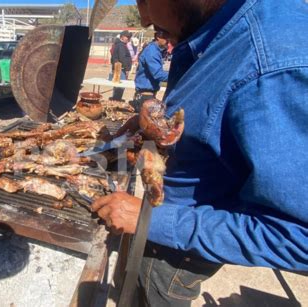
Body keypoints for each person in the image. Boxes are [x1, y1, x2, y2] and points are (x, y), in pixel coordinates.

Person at [91, 0, 308, 305]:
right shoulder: (212, 31)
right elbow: (214, 122)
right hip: (165, 226)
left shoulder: (275, 61)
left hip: (179, 255)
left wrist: (150, 221)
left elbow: (297, 237)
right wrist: (155, 130)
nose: (142, 18)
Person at [132, 32, 169, 112]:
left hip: (147, 95)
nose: (168, 40)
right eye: (166, 37)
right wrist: (177, 76)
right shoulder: (152, 51)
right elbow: (157, 74)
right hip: (145, 96)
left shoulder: (154, 50)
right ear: (158, 37)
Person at [110, 30, 133, 101]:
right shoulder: (121, 45)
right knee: (120, 88)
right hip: (121, 69)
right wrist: (127, 69)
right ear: (122, 37)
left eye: (129, 37)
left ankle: (115, 102)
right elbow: (122, 58)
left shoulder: (120, 45)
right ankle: (115, 103)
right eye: (127, 37)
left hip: (119, 69)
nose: (128, 39)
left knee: (117, 88)